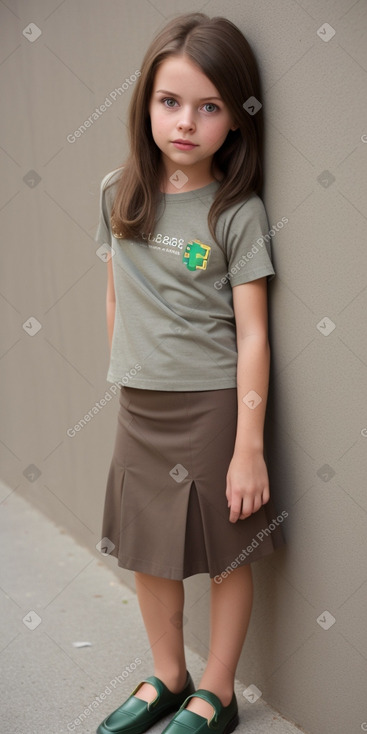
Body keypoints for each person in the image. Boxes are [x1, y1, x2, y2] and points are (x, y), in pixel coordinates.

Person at [94, 12, 285, 734]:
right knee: (149, 549)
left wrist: (247, 445)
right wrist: (128, 372)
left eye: (210, 108)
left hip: (212, 406)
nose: (185, 123)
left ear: (236, 120)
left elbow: (255, 333)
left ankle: (216, 690)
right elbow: (116, 292)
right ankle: (167, 675)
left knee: (226, 550)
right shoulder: (118, 192)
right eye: (169, 102)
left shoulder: (236, 211)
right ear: (145, 104)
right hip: (139, 408)